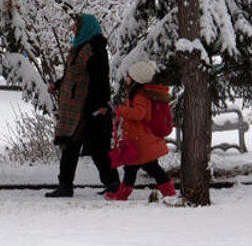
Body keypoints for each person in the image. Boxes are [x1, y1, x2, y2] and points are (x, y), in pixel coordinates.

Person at [45, 14, 120, 198]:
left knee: (95, 148)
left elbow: (101, 79)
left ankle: (112, 183)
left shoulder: (95, 49)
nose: (73, 28)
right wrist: (59, 84)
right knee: (72, 145)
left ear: (86, 28)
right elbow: (73, 75)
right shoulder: (79, 48)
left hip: (88, 107)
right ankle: (67, 185)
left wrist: (101, 105)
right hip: (75, 106)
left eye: (76, 25)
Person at [105, 60, 177, 201]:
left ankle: (124, 194)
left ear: (136, 79)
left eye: (129, 76)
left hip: (141, 141)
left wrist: (119, 110)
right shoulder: (142, 94)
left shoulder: (139, 96)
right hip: (140, 139)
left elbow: (139, 114)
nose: (127, 78)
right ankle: (168, 192)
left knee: (143, 168)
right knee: (138, 168)